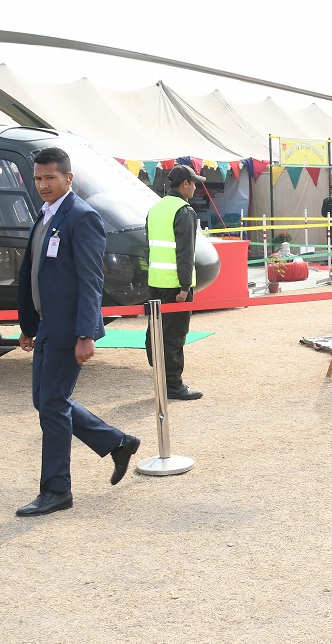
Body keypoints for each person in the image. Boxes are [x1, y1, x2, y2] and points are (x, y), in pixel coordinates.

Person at [14, 146, 139, 517]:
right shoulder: (45, 214)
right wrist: (29, 326)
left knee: (51, 404)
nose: (43, 184)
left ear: (69, 178)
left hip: (69, 328)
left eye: (50, 177)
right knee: (46, 401)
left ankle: (56, 491)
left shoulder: (81, 217)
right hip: (47, 324)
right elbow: (35, 273)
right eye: (38, 178)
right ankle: (118, 442)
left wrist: (87, 334)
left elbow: (90, 280)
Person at [145, 165, 206, 402]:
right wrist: (183, 286)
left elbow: (148, 249)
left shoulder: (155, 209)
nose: (195, 187)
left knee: (156, 332)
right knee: (175, 335)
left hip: (156, 282)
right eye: (194, 182)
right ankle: (173, 384)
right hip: (175, 285)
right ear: (185, 184)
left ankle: (161, 379)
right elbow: (185, 252)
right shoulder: (185, 211)